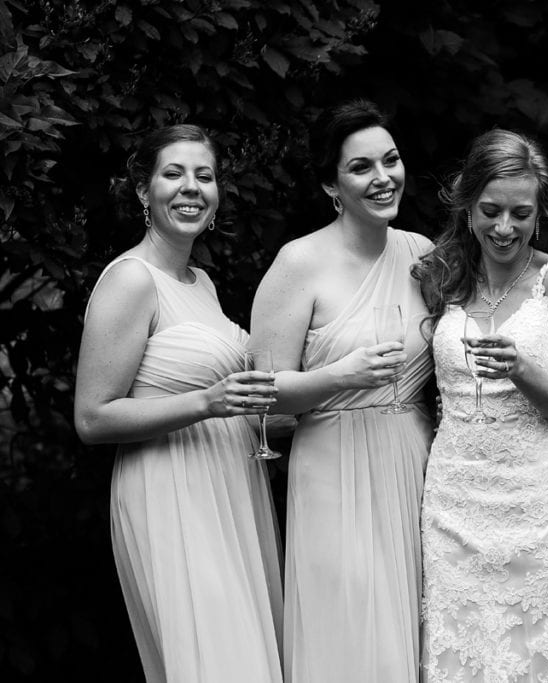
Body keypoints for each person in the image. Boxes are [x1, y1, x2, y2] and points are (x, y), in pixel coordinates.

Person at [74, 124, 284, 682]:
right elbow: (93, 417)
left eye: (204, 176)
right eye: (174, 174)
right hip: (171, 492)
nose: (191, 187)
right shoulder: (131, 280)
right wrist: (207, 402)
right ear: (144, 190)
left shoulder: (202, 283)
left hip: (229, 486)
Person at [248, 100, 433, 682]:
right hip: (333, 464)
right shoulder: (299, 262)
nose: (383, 178)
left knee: (417, 624)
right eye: (361, 167)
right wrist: (339, 376)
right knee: (351, 626)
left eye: (391, 160)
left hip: (416, 459)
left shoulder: (423, 254)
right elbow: (262, 392)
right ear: (331, 184)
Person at [412, 128, 548, 682]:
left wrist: (523, 371)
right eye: (490, 211)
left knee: (531, 657)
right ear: (467, 208)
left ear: (540, 213)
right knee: (457, 656)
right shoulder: (440, 279)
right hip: (454, 499)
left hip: (535, 502)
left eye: (521, 213)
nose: (505, 227)